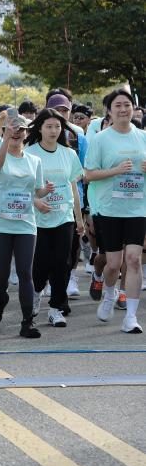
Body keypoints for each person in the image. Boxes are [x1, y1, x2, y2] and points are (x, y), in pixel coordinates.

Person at [0, 111, 52, 338]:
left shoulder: (35, 161)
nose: (16, 133)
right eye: (11, 129)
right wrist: (5, 139)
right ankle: (1, 298)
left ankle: (27, 322)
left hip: (25, 223)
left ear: (27, 134)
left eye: (21, 129)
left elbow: (36, 189)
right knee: (1, 274)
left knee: (24, 272)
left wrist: (45, 191)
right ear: (3, 133)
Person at [85, 88, 146, 333]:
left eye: (127, 105)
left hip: (137, 207)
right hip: (109, 209)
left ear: (134, 109)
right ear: (109, 111)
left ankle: (131, 316)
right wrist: (116, 171)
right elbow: (88, 175)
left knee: (133, 260)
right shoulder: (100, 139)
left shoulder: (143, 137)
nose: (123, 109)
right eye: (118, 105)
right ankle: (109, 293)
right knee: (112, 264)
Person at [25, 109, 85, 327]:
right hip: (37, 219)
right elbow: (23, 187)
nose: (53, 130)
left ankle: (55, 308)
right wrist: (36, 202)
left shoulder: (68, 154)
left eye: (57, 126)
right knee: (41, 264)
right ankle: (35, 293)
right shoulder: (29, 153)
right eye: (48, 126)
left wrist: (79, 220)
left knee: (63, 263)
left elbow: (73, 188)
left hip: (64, 218)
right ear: (39, 128)